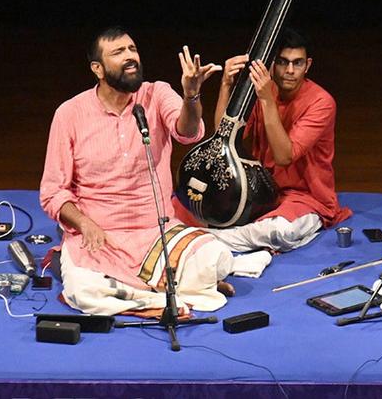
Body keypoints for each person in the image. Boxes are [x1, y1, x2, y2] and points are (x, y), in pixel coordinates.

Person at [39, 27, 235, 315]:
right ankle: (168, 298)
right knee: (83, 293)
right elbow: (53, 191)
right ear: (98, 69)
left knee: (218, 256)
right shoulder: (70, 114)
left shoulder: (157, 94)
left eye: (132, 49)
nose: (130, 57)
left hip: (155, 233)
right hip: (101, 238)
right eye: (118, 53)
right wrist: (84, 224)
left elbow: (188, 133)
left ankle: (148, 293)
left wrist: (191, 96)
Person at [197, 29, 351, 253]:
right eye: (283, 62)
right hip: (263, 193)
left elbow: (284, 156)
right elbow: (224, 136)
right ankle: (230, 236)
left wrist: (267, 101)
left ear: (307, 65)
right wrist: (226, 86)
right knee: (194, 204)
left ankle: (210, 238)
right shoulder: (263, 91)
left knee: (281, 232)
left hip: (307, 198)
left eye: (297, 63)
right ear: (272, 64)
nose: (290, 71)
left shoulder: (321, 102)